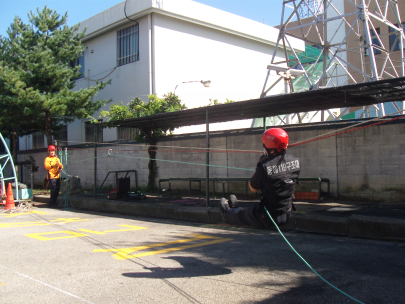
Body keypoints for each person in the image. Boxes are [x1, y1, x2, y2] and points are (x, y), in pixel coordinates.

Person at [219, 128, 300, 228]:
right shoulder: (296, 161)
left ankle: (227, 213)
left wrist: (260, 167)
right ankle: (235, 208)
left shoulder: (264, 166)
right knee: (246, 212)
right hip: (287, 212)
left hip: (267, 216)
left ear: (268, 146)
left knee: (243, 215)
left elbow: (253, 188)